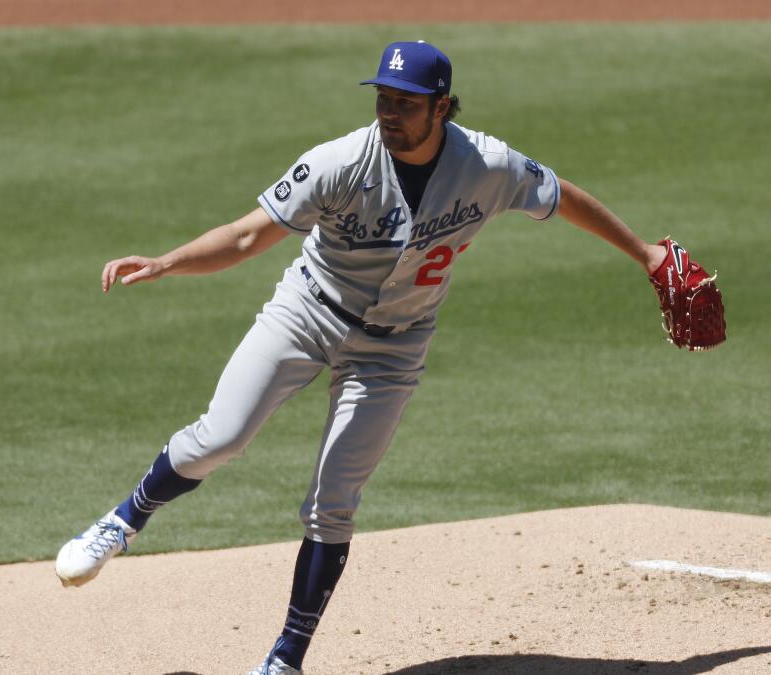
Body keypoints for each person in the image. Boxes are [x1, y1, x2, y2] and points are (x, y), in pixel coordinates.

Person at [55, 40, 668, 675]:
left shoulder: (487, 163)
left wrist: (645, 253)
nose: (390, 112)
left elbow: (561, 196)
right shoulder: (339, 162)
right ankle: (123, 522)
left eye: (405, 101)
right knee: (223, 437)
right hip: (306, 312)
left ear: (442, 107)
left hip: (394, 345)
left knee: (334, 501)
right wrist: (166, 262)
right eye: (383, 98)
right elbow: (245, 235)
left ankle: (284, 660)